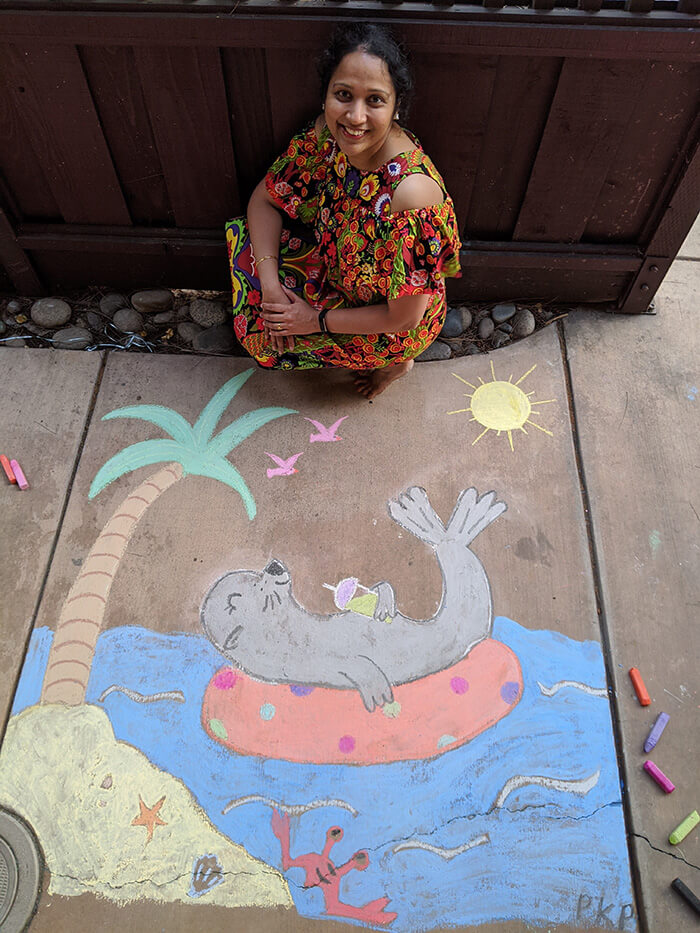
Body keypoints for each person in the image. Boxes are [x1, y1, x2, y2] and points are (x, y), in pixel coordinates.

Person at [226, 22, 461, 400]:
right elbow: (265, 200)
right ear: (325, 96)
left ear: (397, 105)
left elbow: (404, 315)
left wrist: (312, 320)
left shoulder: (412, 194)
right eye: (344, 95)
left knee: (263, 342)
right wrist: (271, 287)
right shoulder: (326, 137)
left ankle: (396, 364)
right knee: (254, 281)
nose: (354, 117)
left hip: (387, 321)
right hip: (336, 271)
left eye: (375, 100)